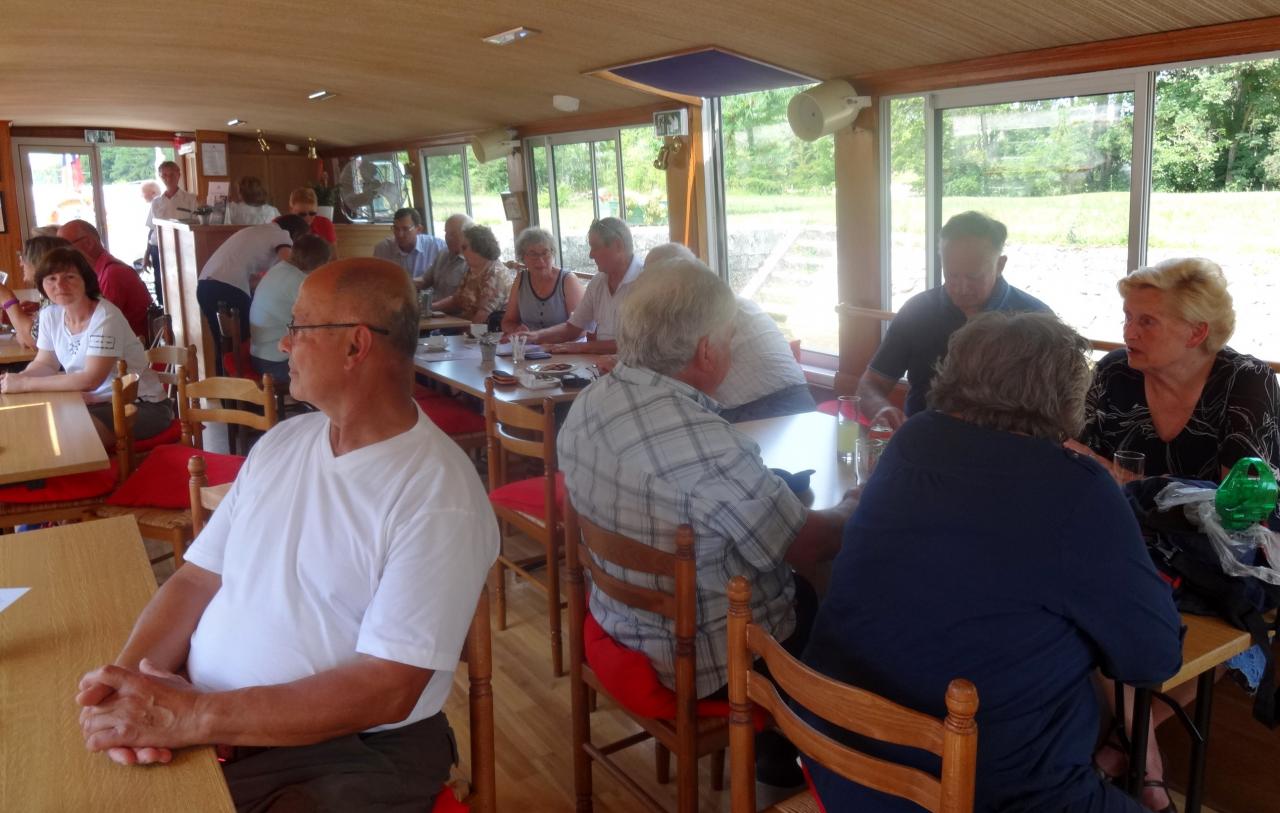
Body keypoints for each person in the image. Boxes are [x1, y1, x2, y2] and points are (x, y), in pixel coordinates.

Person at [75, 258, 498, 811]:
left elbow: (388, 688)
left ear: (355, 346)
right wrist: (129, 683)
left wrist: (190, 716)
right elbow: (196, 581)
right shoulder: (284, 442)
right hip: (215, 720)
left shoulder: (437, 495)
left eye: (299, 327)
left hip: (346, 750)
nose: (281, 345)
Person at [801, 311, 1182, 813]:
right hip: (971, 793)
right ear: (1065, 396)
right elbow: (1153, 657)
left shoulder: (912, 440)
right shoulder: (1075, 488)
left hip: (840, 759)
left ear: (954, 371)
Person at [558, 257, 858, 785]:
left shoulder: (589, 403)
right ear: (706, 350)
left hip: (615, 620)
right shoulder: (706, 441)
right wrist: (856, 505)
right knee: (839, 610)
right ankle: (806, 767)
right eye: (729, 337)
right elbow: (806, 545)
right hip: (694, 659)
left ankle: (773, 750)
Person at [1079, 257, 1280, 484]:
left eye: (1147, 322)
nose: (1128, 333)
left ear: (1196, 333)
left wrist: (1128, 481)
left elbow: (1242, 502)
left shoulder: (1246, 381)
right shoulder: (1115, 371)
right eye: (1128, 317)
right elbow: (1073, 455)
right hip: (1117, 517)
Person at [856, 211, 1051, 429]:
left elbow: (1054, 409)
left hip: (1005, 447)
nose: (961, 287)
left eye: (973, 276)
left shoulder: (1036, 321)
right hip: (926, 442)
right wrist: (881, 409)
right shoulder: (918, 311)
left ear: (1000, 265)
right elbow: (871, 384)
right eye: (952, 275)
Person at [0, 247, 170, 446]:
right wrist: (20, 378)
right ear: (42, 284)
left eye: (69, 277)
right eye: (51, 279)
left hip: (139, 406)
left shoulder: (105, 315)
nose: (60, 285)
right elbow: (45, 363)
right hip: (90, 403)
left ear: (86, 281)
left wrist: (26, 385)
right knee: (33, 429)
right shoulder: (50, 315)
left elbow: (91, 379)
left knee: (65, 441)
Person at [644, 242, 814, 422]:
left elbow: (668, 376)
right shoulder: (731, 300)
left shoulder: (693, 312)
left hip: (757, 412)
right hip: (803, 405)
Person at [197, 214, 310, 369]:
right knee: (244, 344)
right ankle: (247, 388)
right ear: (295, 235)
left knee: (223, 347)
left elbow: (254, 277)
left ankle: (223, 388)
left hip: (205, 285)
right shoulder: (281, 234)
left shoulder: (255, 231)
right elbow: (290, 263)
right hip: (229, 287)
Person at [521, 217, 642, 355]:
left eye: (595, 247)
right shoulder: (598, 282)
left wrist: (582, 347)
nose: (591, 255)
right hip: (602, 367)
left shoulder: (647, 281)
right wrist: (536, 336)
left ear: (618, 246)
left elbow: (639, 343)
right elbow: (573, 328)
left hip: (637, 372)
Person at [249, 234, 333, 389]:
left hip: (261, 354)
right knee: (335, 368)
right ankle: (327, 410)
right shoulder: (298, 280)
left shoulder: (280, 269)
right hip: (274, 362)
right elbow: (324, 317)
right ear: (320, 263)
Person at [57, 219, 154, 340]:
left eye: (64, 247)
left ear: (88, 243)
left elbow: (98, 325)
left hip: (128, 354)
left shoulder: (112, 274)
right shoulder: (99, 272)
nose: (60, 254)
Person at [499, 226, 584, 335]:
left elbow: (581, 328)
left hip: (563, 347)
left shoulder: (568, 280)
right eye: (533, 254)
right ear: (523, 257)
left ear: (552, 253)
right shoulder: (521, 279)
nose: (540, 260)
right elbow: (507, 322)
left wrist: (540, 336)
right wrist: (516, 329)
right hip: (530, 347)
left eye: (545, 253)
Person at [432, 224, 513, 324]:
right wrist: (430, 308)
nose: (461, 251)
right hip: (466, 325)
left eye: (465, 247)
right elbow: (456, 300)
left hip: (488, 332)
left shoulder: (495, 274)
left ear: (479, 248)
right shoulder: (473, 270)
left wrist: (461, 333)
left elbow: (483, 316)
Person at [1, 234, 71, 349]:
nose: (21, 263)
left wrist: (7, 298)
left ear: (40, 261)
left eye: (23, 257)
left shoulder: (60, 292)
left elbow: (34, 341)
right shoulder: (51, 292)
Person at [147, 161, 198, 306]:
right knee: (160, 281)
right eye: (164, 175)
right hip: (158, 247)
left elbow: (196, 225)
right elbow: (152, 229)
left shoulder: (190, 199)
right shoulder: (156, 202)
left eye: (171, 175)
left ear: (179, 175)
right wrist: (146, 255)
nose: (168, 179)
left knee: (183, 280)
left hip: (182, 247)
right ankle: (164, 311)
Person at [373, 207, 446, 282]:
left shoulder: (437, 246)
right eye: (396, 228)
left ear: (419, 229)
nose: (400, 234)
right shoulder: (382, 249)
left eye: (405, 229)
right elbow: (378, 280)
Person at [416, 213, 472, 297]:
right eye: (446, 233)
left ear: (466, 235)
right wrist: (405, 284)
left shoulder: (472, 262)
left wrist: (430, 307)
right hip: (434, 307)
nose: (447, 238)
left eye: (453, 234)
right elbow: (424, 280)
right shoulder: (443, 253)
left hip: (451, 309)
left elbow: (459, 300)